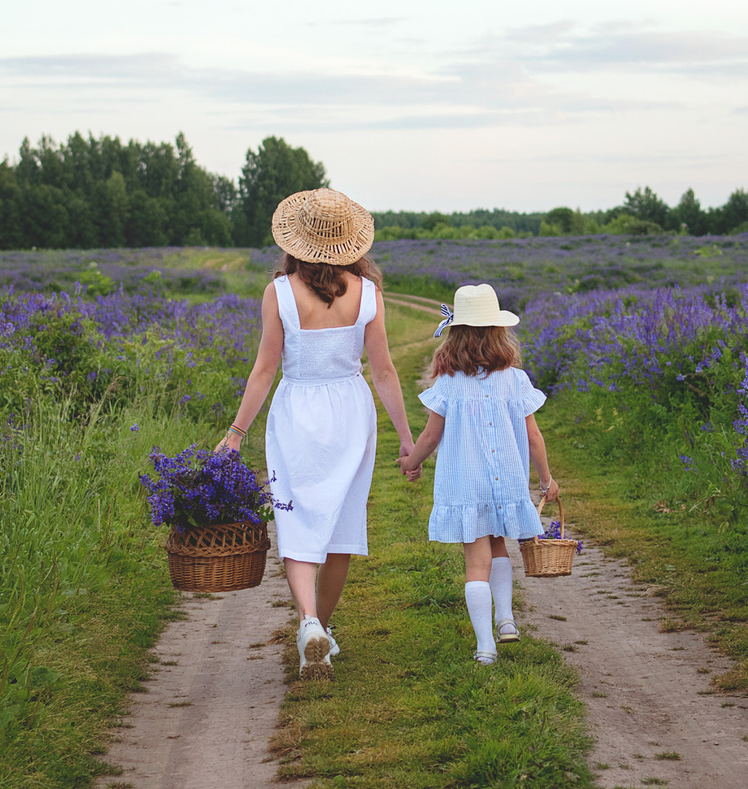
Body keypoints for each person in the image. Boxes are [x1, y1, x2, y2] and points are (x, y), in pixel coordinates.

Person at [215, 188, 415, 680]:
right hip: (350, 410)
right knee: (342, 526)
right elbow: (384, 372)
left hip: (296, 411)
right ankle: (320, 626)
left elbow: (264, 370)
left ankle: (307, 624)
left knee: (298, 519)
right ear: (351, 244)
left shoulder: (279, 292)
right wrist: (407, 439)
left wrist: (237, 432)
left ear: (296, 240)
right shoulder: (368, 294)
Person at [398, 283, 559, 665]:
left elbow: (430, 435)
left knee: (476, 562)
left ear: (454, 335)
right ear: (499, 333)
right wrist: (545, 480)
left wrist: (411, 461)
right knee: (499, 544)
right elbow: (534, 437)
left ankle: (485, 645)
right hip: (506, 481)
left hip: (466, 484)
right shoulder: (515, 380)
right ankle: (506, 620)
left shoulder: (449, 383)